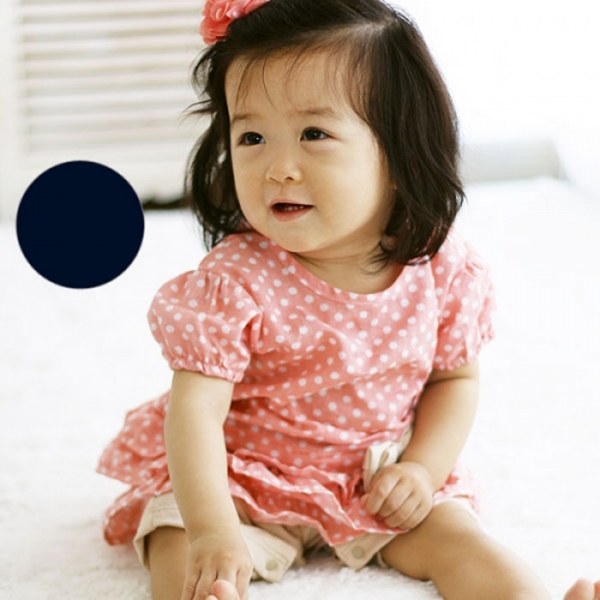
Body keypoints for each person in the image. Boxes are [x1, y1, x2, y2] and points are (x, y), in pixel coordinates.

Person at [97, 1, 600, 599]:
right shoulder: (234, 281)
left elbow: (454, 381)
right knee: (179, 542)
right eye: (252, 136)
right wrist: (213, 530)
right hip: (242, 477)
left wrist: (422, 469)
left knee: (463, 540)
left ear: (400, 152)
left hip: (376, 476)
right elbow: (196, 410)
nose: (279, 168)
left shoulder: (441, 270)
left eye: (314, 134)